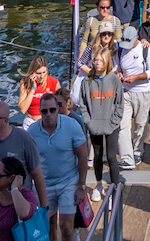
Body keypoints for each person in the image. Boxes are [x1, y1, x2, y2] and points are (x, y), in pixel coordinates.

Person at [29, 92, 89, 241]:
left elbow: (82, 156)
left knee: (66, 227)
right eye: (44, 111)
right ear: (40, 112)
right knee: (48, 226)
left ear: (58, 108)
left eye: (52, 110)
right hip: (44, 184)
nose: (48, 114)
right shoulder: (32, 131)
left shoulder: (72, 126)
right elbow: (29, 162)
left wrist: (81, 186)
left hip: (68, 181)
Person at [73, 44, 124, 201]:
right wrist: (88, 122)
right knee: (96, 155)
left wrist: (113, 121)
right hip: (94, 125)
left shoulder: (114, 80)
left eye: (101, 60)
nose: (97, 63)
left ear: (107, 61)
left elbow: (120, 104)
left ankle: (115, 189)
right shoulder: (87, 81)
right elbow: (83, 104)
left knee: (111, 156)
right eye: (95, 60)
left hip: (111, 125)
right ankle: (99, 184)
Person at [115, 24, 150, 170]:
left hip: (142, 91)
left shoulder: (145, 49)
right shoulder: (120, 49)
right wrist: (118, 73)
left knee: (140, 124)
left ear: (137, 38)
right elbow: (116, 67)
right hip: (125, 92)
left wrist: (136, 77)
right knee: (123, 125)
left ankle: (137, 150)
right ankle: (126, 157)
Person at [17, 57, 60, 128]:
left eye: (44, 72)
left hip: (48, 121)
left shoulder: (54, 82)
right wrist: (33, 88)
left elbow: (60, 106)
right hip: (31, 121)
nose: (42, 76)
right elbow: (23, 109)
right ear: (33, 72)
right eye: (39, 73)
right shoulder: (25, 83)